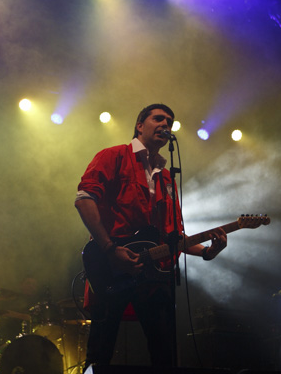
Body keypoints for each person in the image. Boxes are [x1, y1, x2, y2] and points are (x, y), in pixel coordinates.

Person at [74, 104, 228, 371]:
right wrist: (110, 249)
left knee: (164, 349)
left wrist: (206, 251)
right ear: (139, 125)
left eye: (169, 121)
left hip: (152, 275)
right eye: (158, 118)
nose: (165, 124)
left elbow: (173, 236)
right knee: (101, 349)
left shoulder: (167, 177)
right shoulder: (113, 156)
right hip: (111, 264)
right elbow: (84, 199)